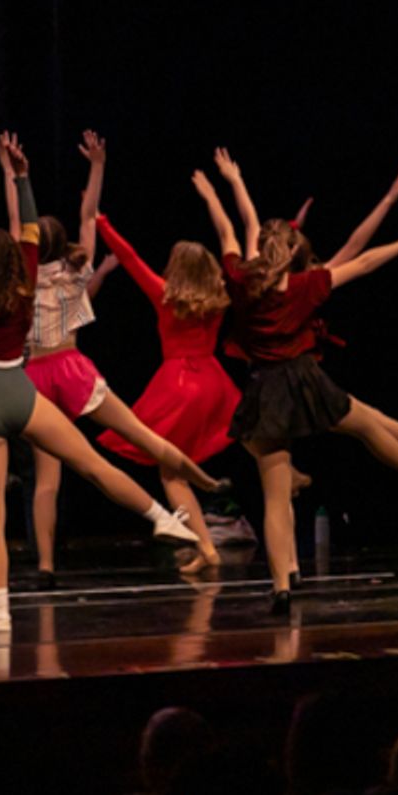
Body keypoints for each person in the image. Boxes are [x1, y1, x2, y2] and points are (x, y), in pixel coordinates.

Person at [0, 136, 195, 634]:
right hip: (21, 395)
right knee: (93, 464)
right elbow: (30, 231)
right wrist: (24, 176)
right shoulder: (24, 283)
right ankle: (160, 515)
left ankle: (1, 611)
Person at [191, 147, 398, 613]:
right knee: (368, 425)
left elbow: (233, 227)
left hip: (262, 391)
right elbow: (365, 260)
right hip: (304, 384)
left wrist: (223, 185)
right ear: (292, 252)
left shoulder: (238, 278)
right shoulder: (306, 286)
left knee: (274, 495)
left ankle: (282, 588)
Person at [17, 131, 228, 585]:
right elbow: (89, 219)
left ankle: (47, 566)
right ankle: (204, 483)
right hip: (71, 368)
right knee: (142, 439)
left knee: (47, 479)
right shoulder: (76, 271)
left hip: (34, 375)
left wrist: (16, 176)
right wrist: (97, 166)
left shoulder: (25, 274)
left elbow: (26, 224)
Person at [92, 209, 242, 574]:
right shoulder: (220, 297)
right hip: (214, 382)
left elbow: (129, 258)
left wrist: (100, 223)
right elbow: (237, 253)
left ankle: (207, 547)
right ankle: (286, 476)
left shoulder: (165, 295)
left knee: (170, 473)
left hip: (179, 385)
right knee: (233, 439)